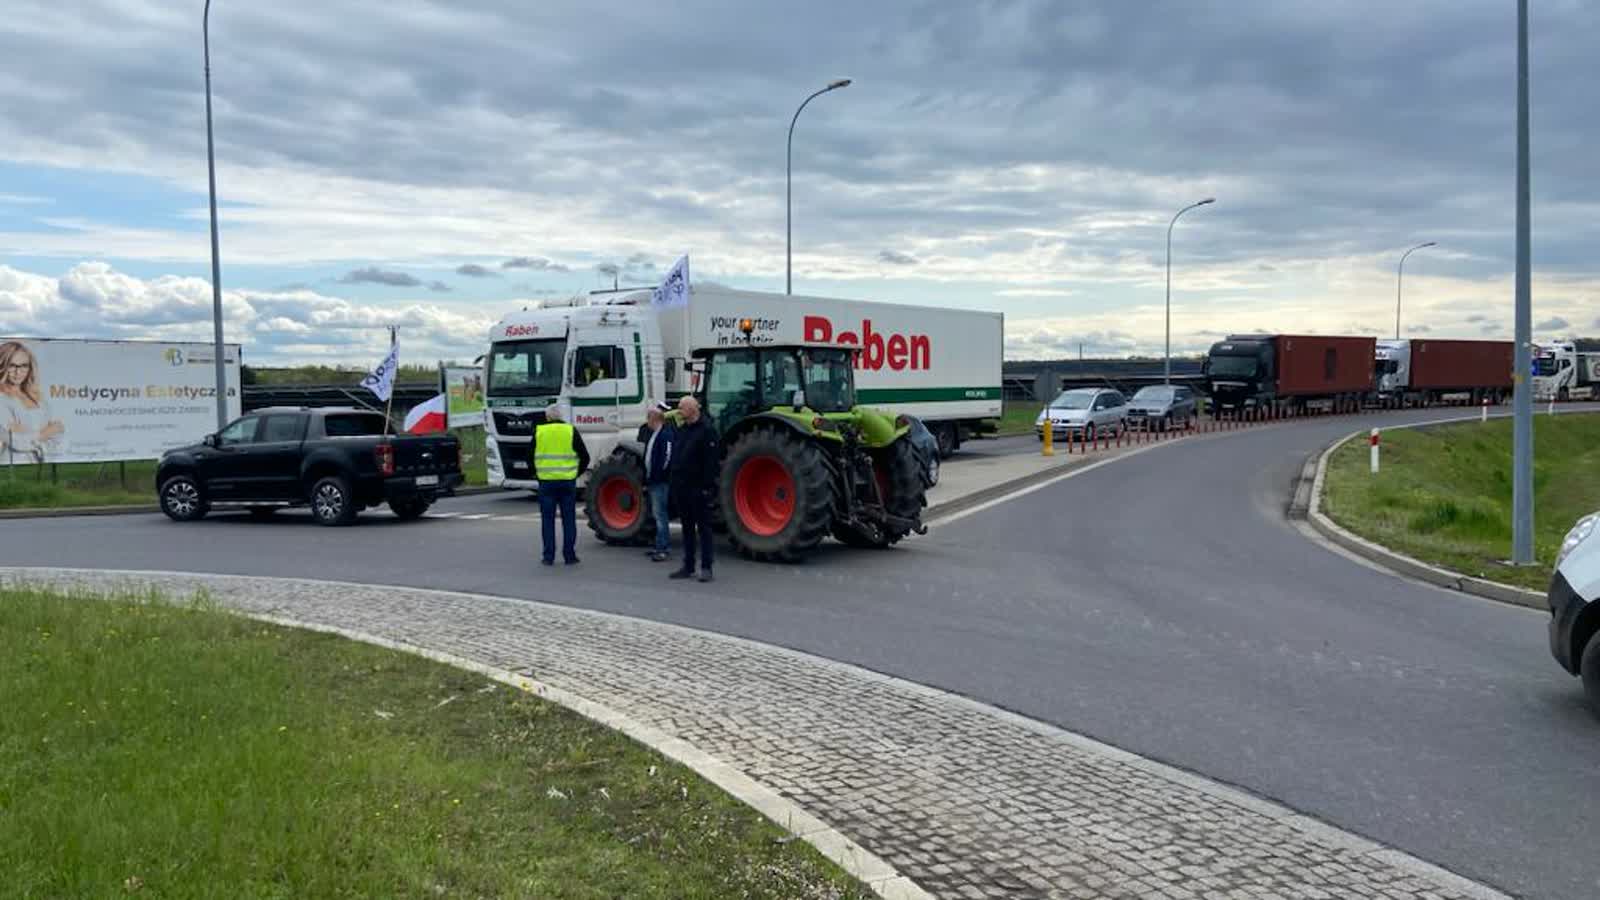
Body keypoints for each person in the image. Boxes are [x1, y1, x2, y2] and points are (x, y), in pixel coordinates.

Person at [668, 395, 719, 583]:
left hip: (698, 488)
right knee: (687, 528)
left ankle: (706, 567)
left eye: (682, 408)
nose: (679, 411)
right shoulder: (682, 430)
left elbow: (711, 463)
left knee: (704, 529)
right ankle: (688, 565)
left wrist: (707, 487)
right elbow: (676, 458)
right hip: (682, 488)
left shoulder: (707, 431)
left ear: (692, 409)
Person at [531, 402, 589, 566]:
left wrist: (537, 474)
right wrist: (574, 473)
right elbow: (585, 457)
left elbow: (529, 456)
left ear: (547, 417)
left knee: (547, 521)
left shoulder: (539, 431)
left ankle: (548, 556)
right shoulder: (570, 430)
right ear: (561, 416)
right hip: (567, 482)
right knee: (568, 520)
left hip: (546, 483)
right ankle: (569, 555)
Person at [0, 341, 63, 464]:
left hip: (42, 463)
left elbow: (59, 433)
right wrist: (45, 432)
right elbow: (15, 441)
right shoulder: (2, 399)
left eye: (24, 365)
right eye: (12, 365)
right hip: (12, 466)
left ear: (30, 367)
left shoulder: (38, 398)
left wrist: (26, 434)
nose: (18, 372)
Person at [641, 405, 676, 562]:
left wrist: (658, 476)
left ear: (653, 419)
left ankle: (663, 548)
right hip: (654, 480)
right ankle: (659, 545)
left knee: (660, 515)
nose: (646, 421)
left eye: (648, 417)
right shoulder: (656, 434)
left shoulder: (665, 435)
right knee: (657, 514)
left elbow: (666, 458)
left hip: (660, 482)